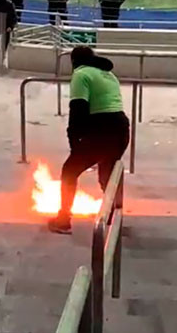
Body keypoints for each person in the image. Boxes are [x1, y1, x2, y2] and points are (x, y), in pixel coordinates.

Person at [48, 47, 130, 234]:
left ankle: (63, 220)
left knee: (70, 170)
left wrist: (74, 139)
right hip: (121, 129)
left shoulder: (81, 74)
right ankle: (114, 217)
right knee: (108, 174)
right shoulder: (109, 75)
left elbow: (78, 109)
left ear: (74, 61)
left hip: (102, 128)